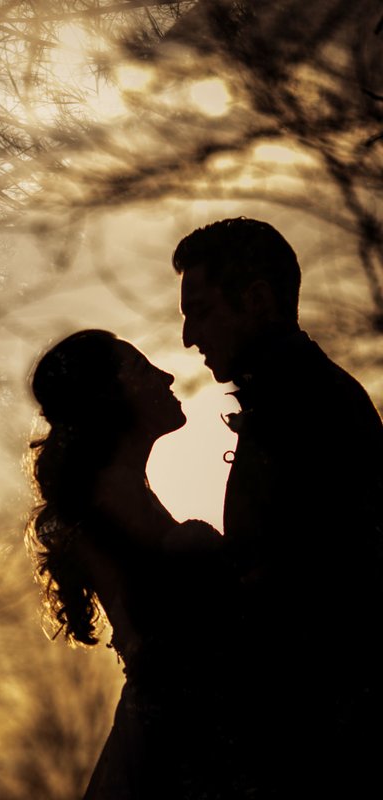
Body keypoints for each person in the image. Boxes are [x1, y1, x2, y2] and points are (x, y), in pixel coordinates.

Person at [174, 217, 383, 797]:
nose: (188, 336)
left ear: (258, 300)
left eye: (201, 311)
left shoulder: (308, 406)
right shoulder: (303, 394)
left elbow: (315, 585)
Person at [27, 329, 235, 799]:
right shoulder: (111, 499)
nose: (166, 377)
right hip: (180, 743)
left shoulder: (120, 490)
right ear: (109, 397)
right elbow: (176, 628)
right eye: (143, 369)